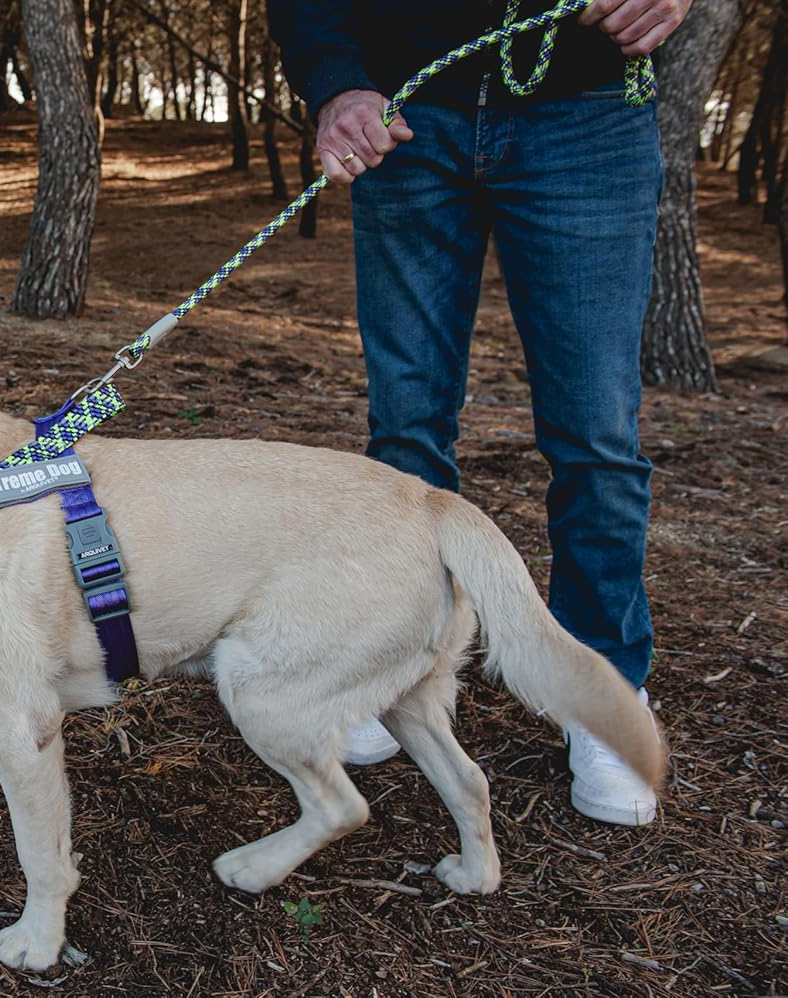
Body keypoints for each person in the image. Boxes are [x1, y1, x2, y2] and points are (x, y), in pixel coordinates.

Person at [267, 0, 691, 826]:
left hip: (590, 114)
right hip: (406, 112)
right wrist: (335, 85)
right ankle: (393, 671)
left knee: (596, 436)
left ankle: (602, 696)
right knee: (404, 434)